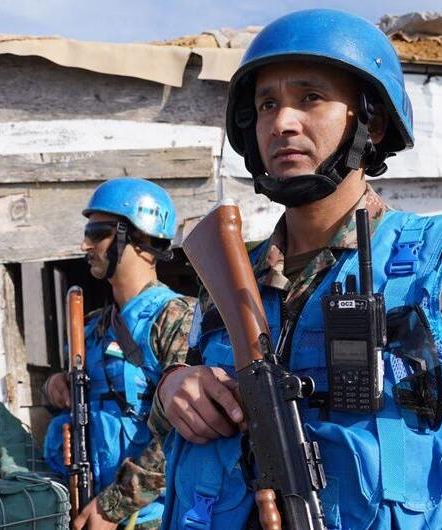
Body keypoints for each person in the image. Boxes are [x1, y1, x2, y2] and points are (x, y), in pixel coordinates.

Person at [155, 9, 442, 529]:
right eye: (267, 104)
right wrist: (174, 387)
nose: (283, 122)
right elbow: (171, 404)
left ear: (371, 120)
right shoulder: (228, 273)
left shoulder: (430, 260)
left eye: (310, 98)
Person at [42, 177, 194, 529]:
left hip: (156, 518)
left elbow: (181, 433)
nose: (85, 243)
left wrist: (113, 506)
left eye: (97, 232)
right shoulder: (93, 328)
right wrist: (53, 388)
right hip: (90, 509)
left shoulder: (176, 318)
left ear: (139, 236)